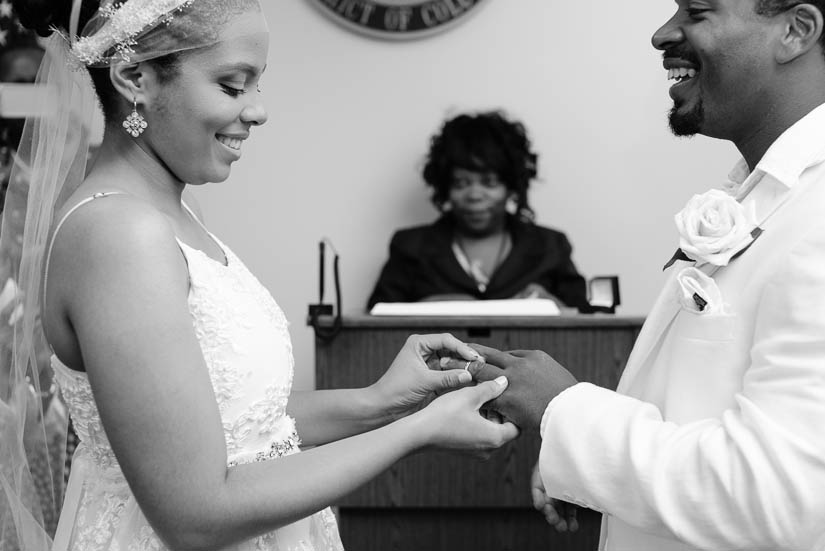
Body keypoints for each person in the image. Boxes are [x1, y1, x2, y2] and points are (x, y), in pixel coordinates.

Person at [0, 1, 519, 550]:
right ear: (135, 79)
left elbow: (236, 426)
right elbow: (195, 513)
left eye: (256, 85)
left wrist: (380, 400)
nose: (258, 111)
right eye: (232, 86)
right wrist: (420, 430)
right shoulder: (118, 235)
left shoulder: (174, 217)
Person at [463, 1, 825, 550]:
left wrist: (566, 412)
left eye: (698, 11)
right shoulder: (766, 192)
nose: (662, 35)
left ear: (795, 31)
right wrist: (585, 463)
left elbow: (775, 495)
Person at [367, 111, 589, 311]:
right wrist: (426, 307)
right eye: (461, 183)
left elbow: (588, 321)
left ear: (511, 187)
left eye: (489, 183)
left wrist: (553, 305)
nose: (474, 195)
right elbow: (372, 324)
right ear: (446, 187)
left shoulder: (550, 246)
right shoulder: (410, 247)